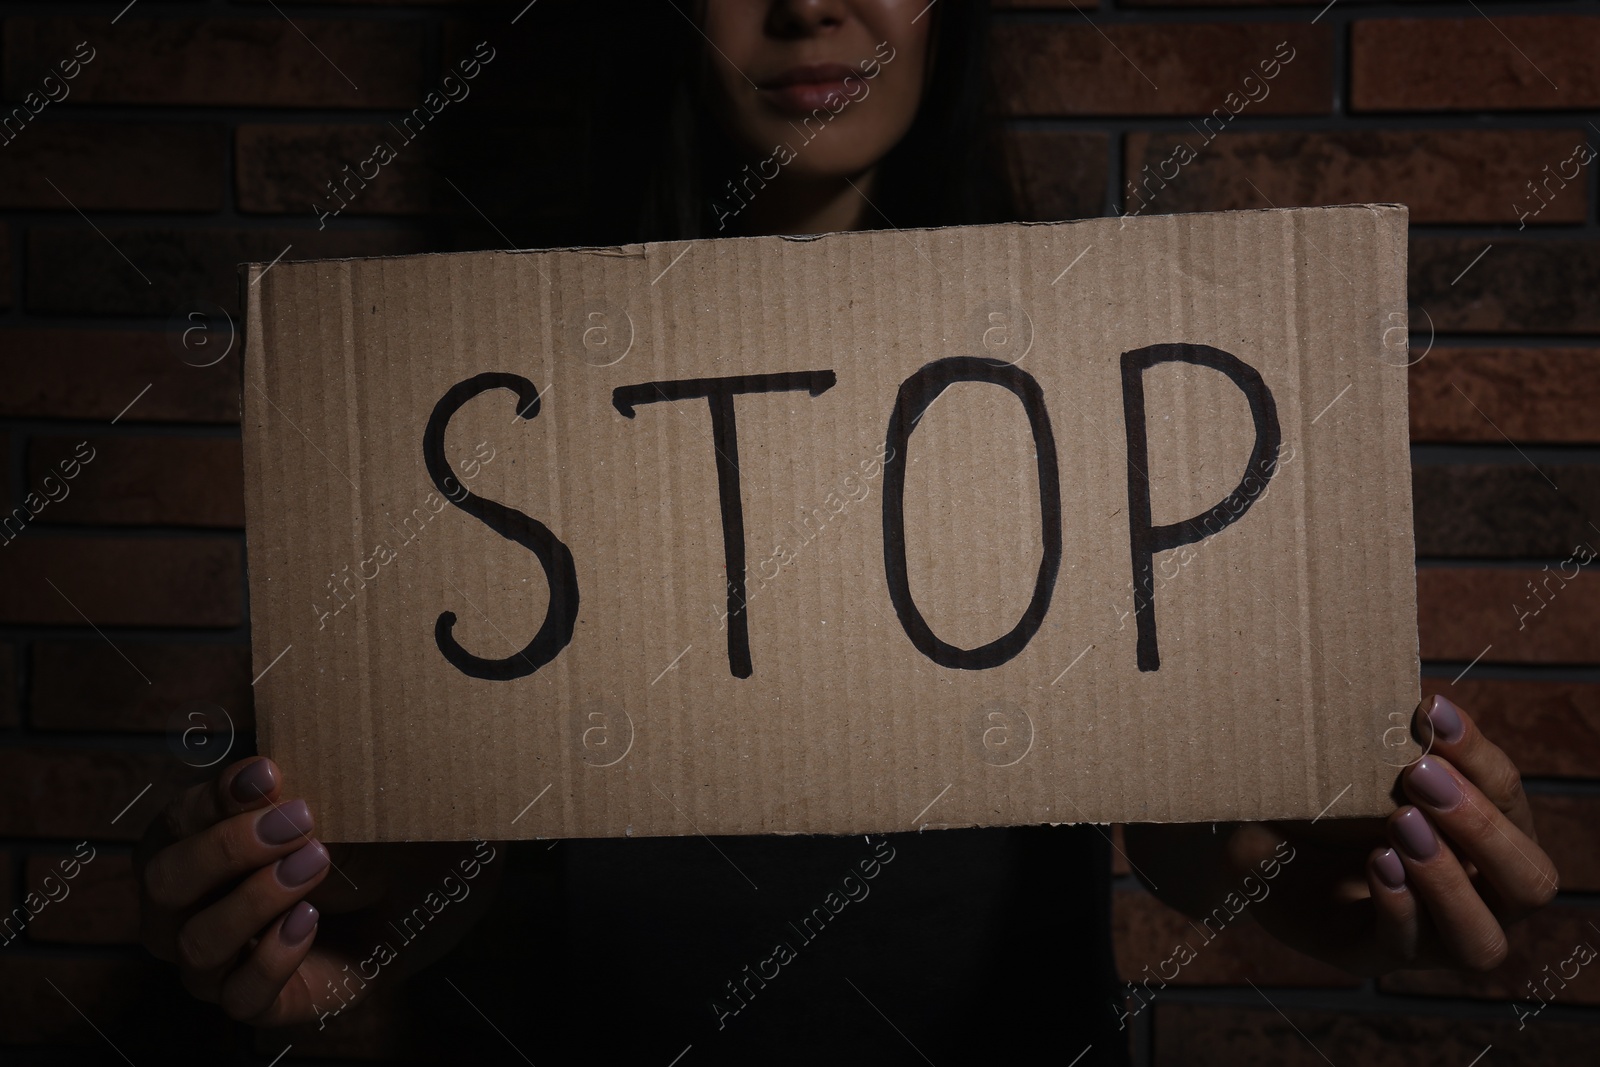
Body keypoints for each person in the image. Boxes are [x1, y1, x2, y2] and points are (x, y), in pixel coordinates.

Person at [136, 2, 1559, 1062]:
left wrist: (1300, 865)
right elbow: (461, 842)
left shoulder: (1083, 346)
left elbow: (1177, 803)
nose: (812, 1)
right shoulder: (495, 392)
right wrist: (342, 932)